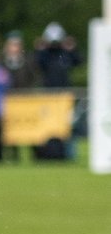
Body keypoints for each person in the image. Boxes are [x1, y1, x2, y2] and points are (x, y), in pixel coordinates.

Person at [33, 22, 80, 160]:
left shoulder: (64, 54)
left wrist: (72, 49)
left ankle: (69, 154)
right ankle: (46, 153)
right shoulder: (45, 55)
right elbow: (36, 63)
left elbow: (78, 61)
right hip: (49, 97)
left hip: (65, 97)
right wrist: (40, 50)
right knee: (48, 125)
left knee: (68, 126)